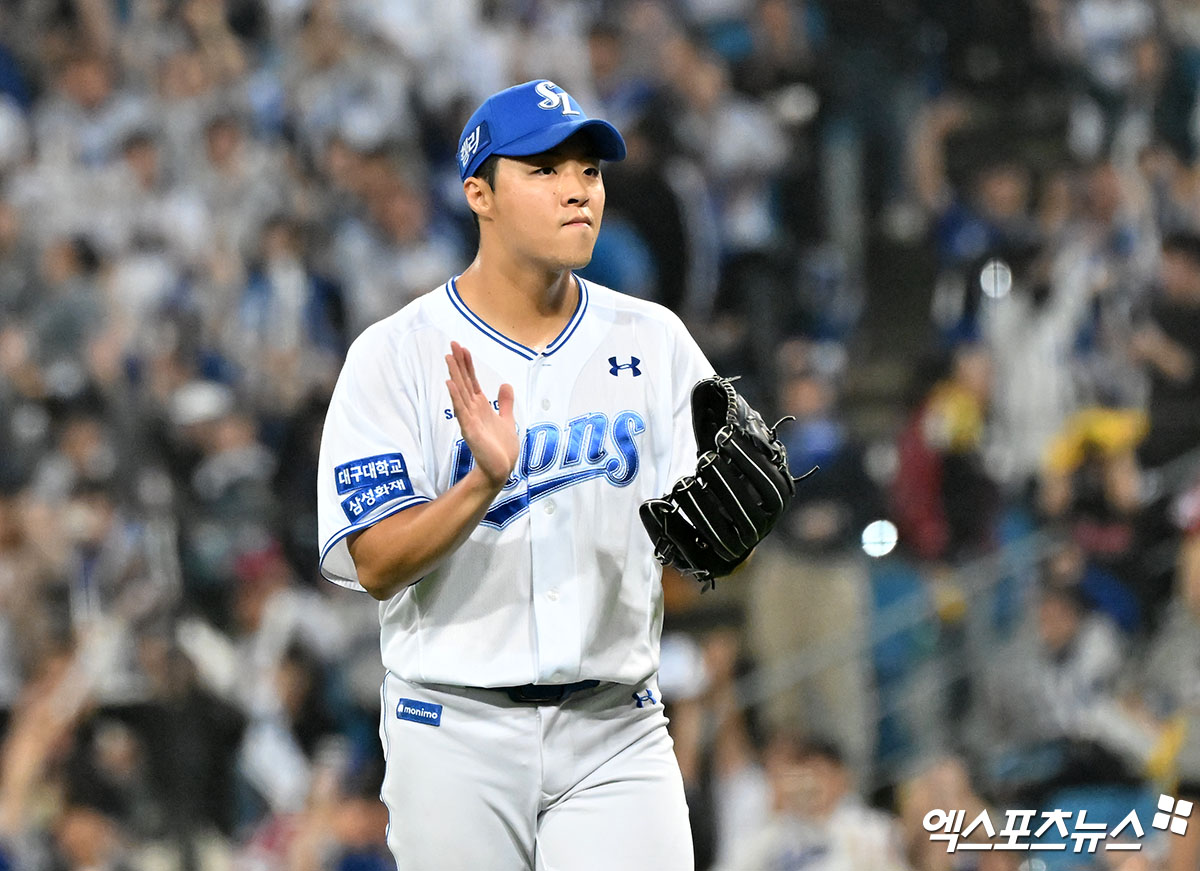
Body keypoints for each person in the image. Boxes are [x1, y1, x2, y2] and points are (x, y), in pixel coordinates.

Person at [316, 80, 711, 869]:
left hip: (616, 727)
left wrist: (728, 542)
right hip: (455, 730)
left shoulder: (656, 339)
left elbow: (708, 537)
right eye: (544, 169)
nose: (578, 190)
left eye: (589, 171)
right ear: (479, 194)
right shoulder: (396, 354)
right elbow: (376, 562)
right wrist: (478, 486)